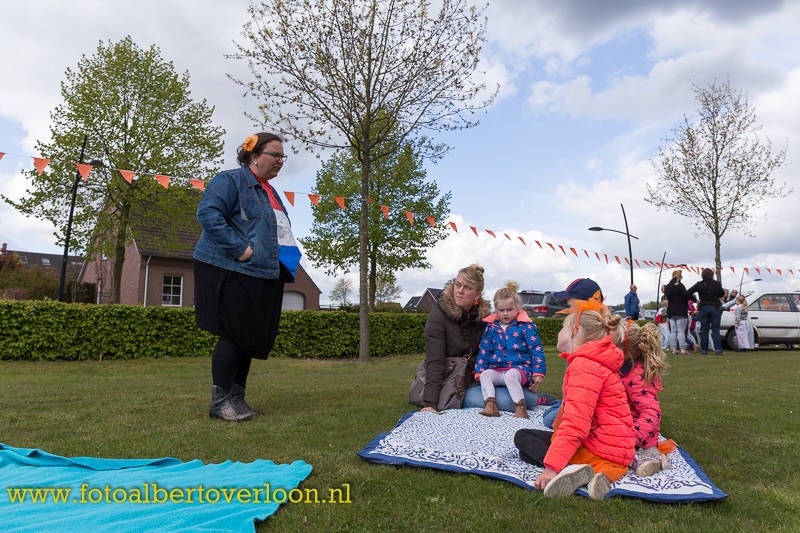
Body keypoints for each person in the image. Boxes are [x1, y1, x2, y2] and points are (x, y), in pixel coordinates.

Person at [193, 132, 300, 422]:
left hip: (266, 273)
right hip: (235, 269)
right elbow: (208, 215)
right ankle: (220, 402)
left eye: (282, 157)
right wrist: (241, 249)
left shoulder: (271, 191)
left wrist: (287, 265)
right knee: (234, 334)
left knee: (250, 338)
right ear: (254, 156)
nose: (280, 161)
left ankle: (237, 400)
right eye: (275, 155)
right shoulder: (229, 181)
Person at [514, 298, 636, 500]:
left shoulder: (584, 365)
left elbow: (576, 423)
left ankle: (576, 470)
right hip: (615, 449)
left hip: (598, 448)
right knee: (525, 450)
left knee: (523, 438)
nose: (559, 332)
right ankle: (600, 471)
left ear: (574, 331)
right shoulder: (596, 361)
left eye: (562, 327)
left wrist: (552, 468)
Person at [420, 264, 490, 413]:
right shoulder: (438, 316)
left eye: (467, 288)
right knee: (505, 401)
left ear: (477, 294)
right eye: (457, 285)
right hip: (451, 383)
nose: (460, 291)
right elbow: (435, 360)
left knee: (516, 394)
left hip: (477, 379)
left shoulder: (483, 318)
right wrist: (430, 403)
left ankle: (544, 401)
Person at [474, 281, 547, 419]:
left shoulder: (526, 327)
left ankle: (520, 409)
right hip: (497, 368)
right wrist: (479, 370)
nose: (505, 313)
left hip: (520, 370)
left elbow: (536, 350)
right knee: (485, 375)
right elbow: (484, 350)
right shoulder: (491, 327)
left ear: (518, 308)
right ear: (496, 309)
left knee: (510, 376)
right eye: (501, 310)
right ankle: (490, 406)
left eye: (509, 310)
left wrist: (538, 372)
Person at [616, 320, 676, 477]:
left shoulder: (636, 376)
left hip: (637, 433)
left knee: (615, 451)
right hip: (623, 424)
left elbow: (651, 411)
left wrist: (633, 436)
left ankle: (649, 458)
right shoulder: (622, 368)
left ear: (625, 350)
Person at [686, 268, 726, 355]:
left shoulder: (699, 284)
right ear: (712, 274)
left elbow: (688, 292)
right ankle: (718, 350)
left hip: (703, 307)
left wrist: (696, 300)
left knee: (704, 330)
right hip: (715, 307)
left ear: (702, 275)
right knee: (715, 330)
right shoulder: (716, 284)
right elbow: (722, 294)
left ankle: (704, 350)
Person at [663, 270, 690, 354]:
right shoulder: (681, 286)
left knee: (673, 331)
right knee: (681, 331)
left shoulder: (668, 286)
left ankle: (673, 349)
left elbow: (667, 296)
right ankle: (682, 349)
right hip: (681, 311)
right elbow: (685, 297)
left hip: (671, 311)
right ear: (680, 276)